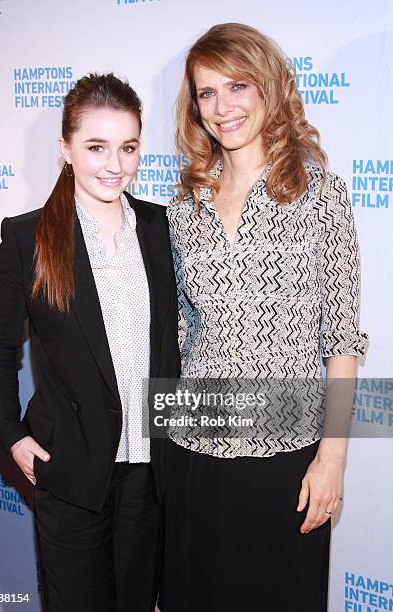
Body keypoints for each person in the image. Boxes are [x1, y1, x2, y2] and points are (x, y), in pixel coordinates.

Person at [163, 23, 368, 612]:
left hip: (287, 458)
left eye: (237, 86)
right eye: (206, 93)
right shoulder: (185, 207)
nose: (222, 107)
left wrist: (332, 459)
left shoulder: (320, 194)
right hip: (193, 452)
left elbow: (342, 336)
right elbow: (178, 331)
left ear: (269, 88)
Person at [0, 72, 180, 612]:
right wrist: (11, 433)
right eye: (96, 147)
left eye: (128, 147)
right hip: (70, 472)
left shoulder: (164, 229)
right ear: (65, 147)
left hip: (152, 471)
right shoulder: (28, 238)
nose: (114, 164)